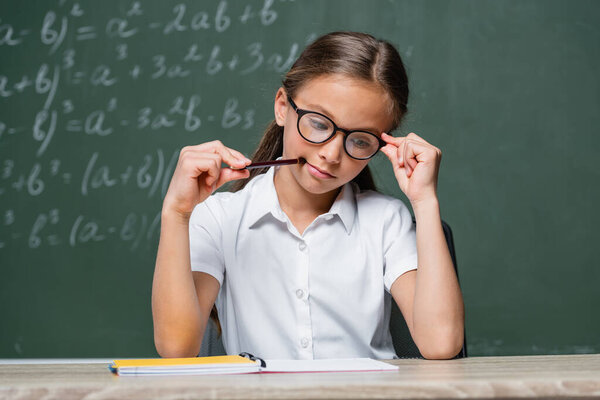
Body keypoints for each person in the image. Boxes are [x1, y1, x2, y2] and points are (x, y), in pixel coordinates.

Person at [152, 31, 464, 360]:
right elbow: (177, 348)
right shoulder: (219, 218)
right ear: (283, 107)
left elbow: (441, 343)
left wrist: (425, 200)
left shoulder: (385, 220)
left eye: (359, 141)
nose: (331, 154)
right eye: (318, 124)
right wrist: (176, 213)